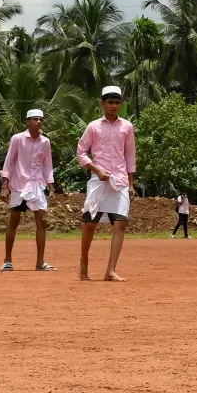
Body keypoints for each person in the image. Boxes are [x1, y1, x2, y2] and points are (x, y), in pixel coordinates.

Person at [77, 86, 135, 282]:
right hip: (98, 181)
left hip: (120, 181)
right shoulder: (93, 127)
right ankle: (84, 262)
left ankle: (110, 270)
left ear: (121, 104)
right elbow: (81, 152)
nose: (113, 106)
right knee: (90, 224)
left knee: (121, 223)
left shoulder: (127, 126)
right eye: (110, 102)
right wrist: (96, 169)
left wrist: (131, 184)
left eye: (117, 102)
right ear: (102, 104)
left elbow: (130, 155)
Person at [0, 108, 55, 272]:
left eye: (40, 119)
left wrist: (51, 185)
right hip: (19, 185)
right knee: (14, 221)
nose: (38, 122)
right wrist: (5, 185)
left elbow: (47, 165)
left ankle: (40, 262)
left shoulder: (45, 142)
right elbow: (9, 161)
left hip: (37, 184)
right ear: (28, 121)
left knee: (42, 222)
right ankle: (7, 260)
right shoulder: (17, 139)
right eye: (34, 119)